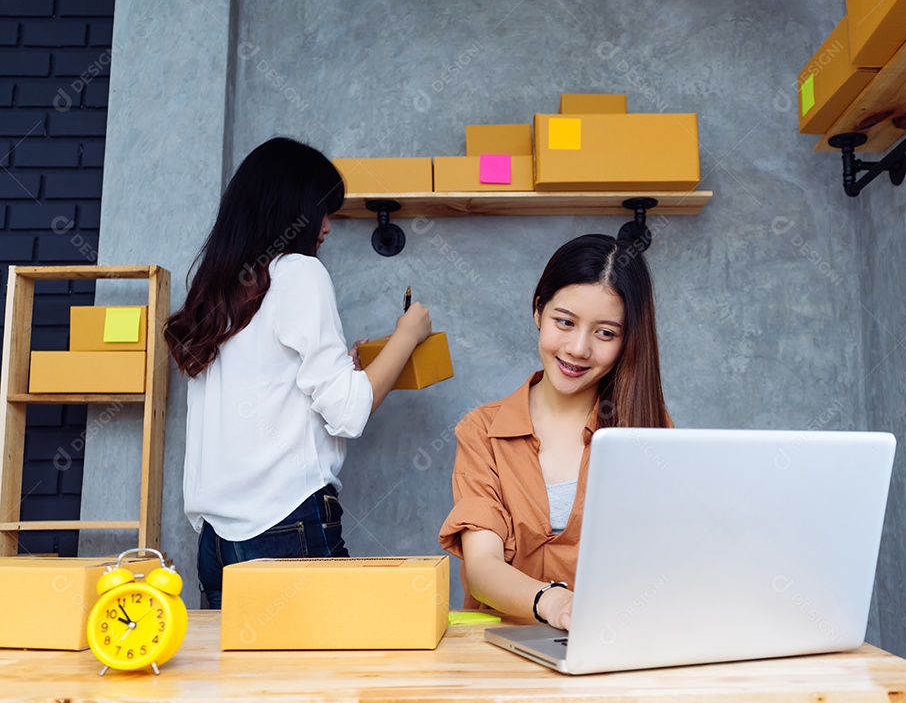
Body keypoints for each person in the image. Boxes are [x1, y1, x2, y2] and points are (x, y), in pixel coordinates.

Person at [165, 137, 431, 608]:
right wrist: (407, 335)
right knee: (331, 674)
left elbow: (269, 387)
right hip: (286, 524)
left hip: (215, 541)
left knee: (246, 681)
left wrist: (344, 373)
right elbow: (349, 414)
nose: (328, 226)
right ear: (292, 210)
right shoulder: (299, 273)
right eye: (322, 210)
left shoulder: (217, 289)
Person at [439, 234, 671, 630]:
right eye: (564, 322)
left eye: (605, 333)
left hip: (608, 646)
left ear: (627, 340)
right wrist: (554, 602)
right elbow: (482, 566)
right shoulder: (482, 431)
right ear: (537, 311)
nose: (579, 348)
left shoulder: (649, 427)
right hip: (498, 653)